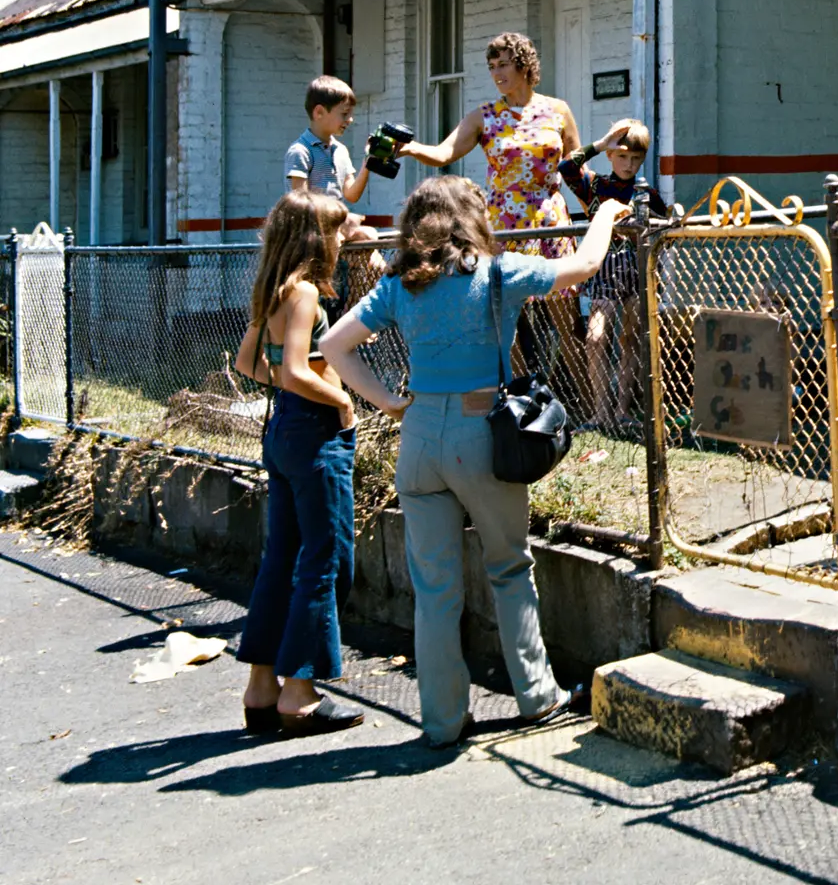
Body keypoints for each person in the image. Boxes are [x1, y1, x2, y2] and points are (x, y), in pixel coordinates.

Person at [322, 176, 629, 749]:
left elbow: (334, 346)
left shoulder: (399, 282)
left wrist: (388, 401)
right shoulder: (498, 271)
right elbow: (585, 266)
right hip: (481, 436)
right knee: (509, 567)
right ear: (471, 218)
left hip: (418, 440)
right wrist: (607, 211)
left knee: (434, 590)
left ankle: (441, 722)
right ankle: (538, 697)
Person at [234, 192, 386, 736]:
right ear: (316, 237)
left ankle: (261, 688)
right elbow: (297, 369)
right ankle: (299, 693)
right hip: (315, 435)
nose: (346, 236)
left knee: (283, 557)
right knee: (326, 559)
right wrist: (342, 400)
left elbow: (248, 361)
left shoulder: (275, 291)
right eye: (339, 229)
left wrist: (297, 390)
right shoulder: (303, 295)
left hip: (283, 432)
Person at [400, 31, 583, 394]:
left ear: (525, 66)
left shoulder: (557, 110)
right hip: (503, 223)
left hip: (549, 221)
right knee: (504, 312)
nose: (497, 73)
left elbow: (575, 167)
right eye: (492, 67)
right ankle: (517, 393)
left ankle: (585, 400)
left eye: (504, 65)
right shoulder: (484, 116)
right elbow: (443, 153)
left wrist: (602, 204)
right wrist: (408, 148)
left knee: (564, 310)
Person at [560, 119, 668, 425]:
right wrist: (602, 142)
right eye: (622, 156)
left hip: (635, 272)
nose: (628, 164)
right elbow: (567, 167)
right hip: (603, 271)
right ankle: (600, 412)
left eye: (635, 159)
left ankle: (621, 411)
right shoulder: (596, 186)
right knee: (595, 338)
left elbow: (666, 232)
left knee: (629, 339)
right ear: (611, 156)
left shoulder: (646, 194)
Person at [285, 75, 376, 243]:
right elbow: (301, 204)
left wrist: (368, 161)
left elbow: (351, 194)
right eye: (344, 114)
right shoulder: (301, 151)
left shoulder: (341, 150)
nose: (350, 119)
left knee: (369, 236)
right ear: (319, 112)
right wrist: (339, 219)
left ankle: (362, 269)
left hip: (335, 227)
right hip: (309, 234)